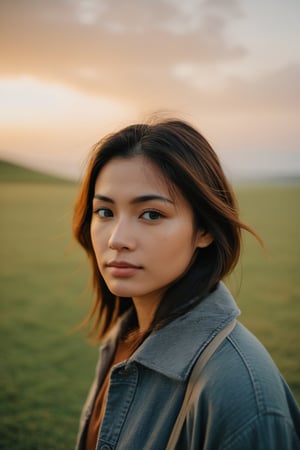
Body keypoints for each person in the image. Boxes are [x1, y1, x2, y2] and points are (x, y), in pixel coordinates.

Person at [73, 118, 300, 450]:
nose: (117, 239)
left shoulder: (241, 395)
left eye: (151, 214)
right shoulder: (122, 338)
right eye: (105, 212)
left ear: (204, 230)